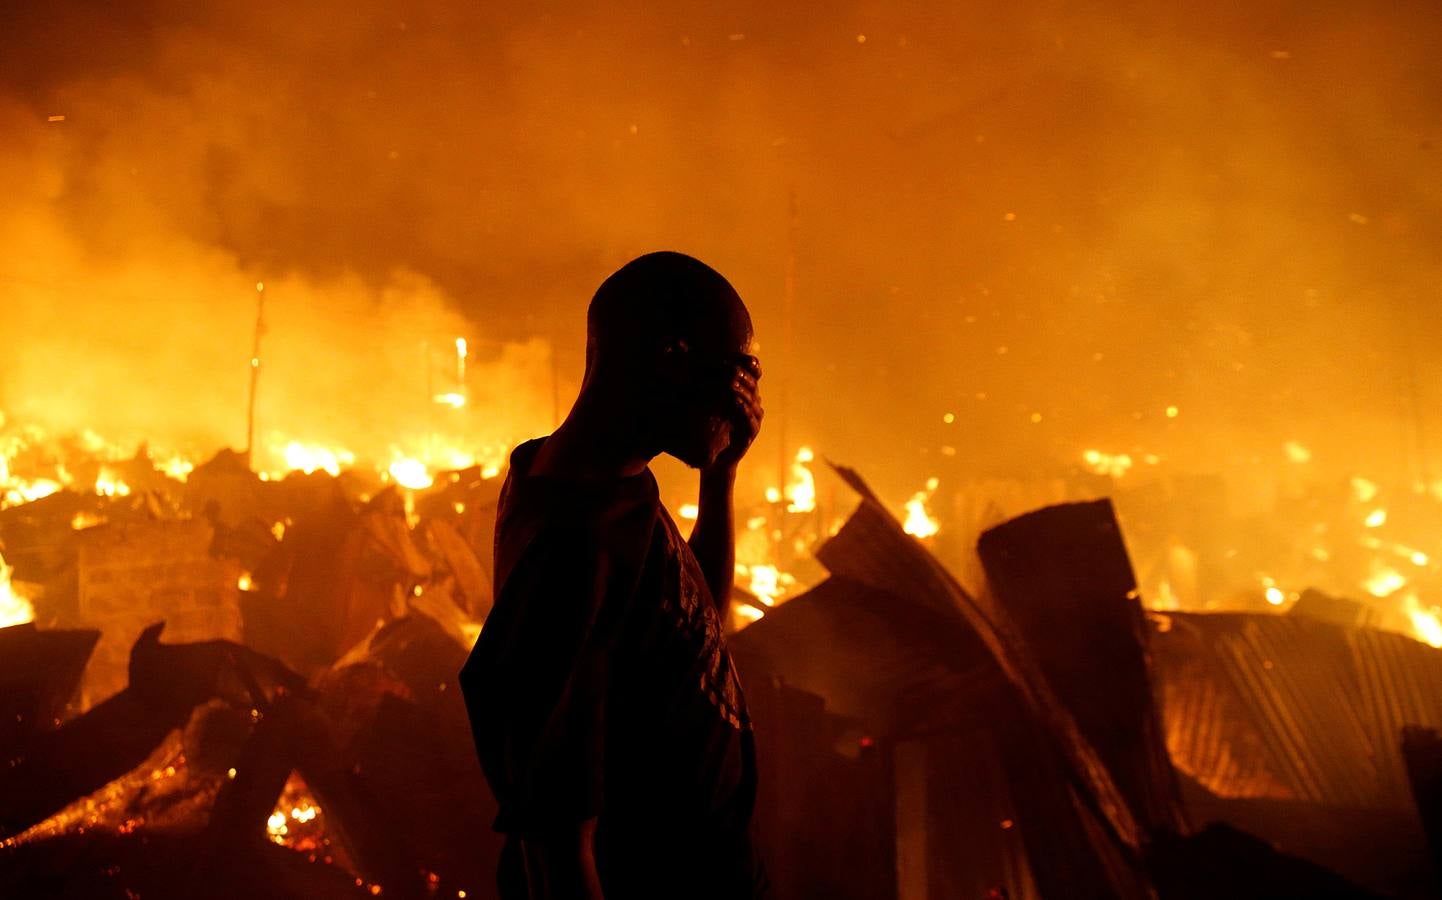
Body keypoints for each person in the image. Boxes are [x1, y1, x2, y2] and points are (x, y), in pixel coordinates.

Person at [459, 251, 769, 899]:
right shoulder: (574, 548)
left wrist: (721, 476)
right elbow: (556, 846)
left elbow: (701, 619)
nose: (747, 404)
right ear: (673, 359)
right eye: (737, 373)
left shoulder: (617, 490)